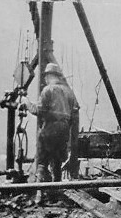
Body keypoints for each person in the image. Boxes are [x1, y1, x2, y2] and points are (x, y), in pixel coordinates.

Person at [21, 63, 79, 203]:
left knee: (42, 162)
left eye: (46, 76)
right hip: (64, 131)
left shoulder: (48, 90)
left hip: (49, 130)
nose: (45, 79)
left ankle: (39, 196)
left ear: (49, 76)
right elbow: (75, 114)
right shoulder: (69, 92)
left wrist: (26, 102)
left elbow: (38, 110)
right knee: (57, 164)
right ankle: (55, 196)